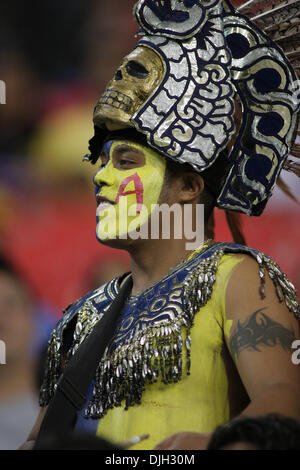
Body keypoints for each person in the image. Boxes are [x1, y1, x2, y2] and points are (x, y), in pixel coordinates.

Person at [23, 0, 300, 450]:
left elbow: (285, 395)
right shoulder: (81, 316)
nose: (101, 177)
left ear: (189, 186)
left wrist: (215, 445)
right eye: (102, 162)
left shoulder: (237, 278)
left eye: (126, 161)